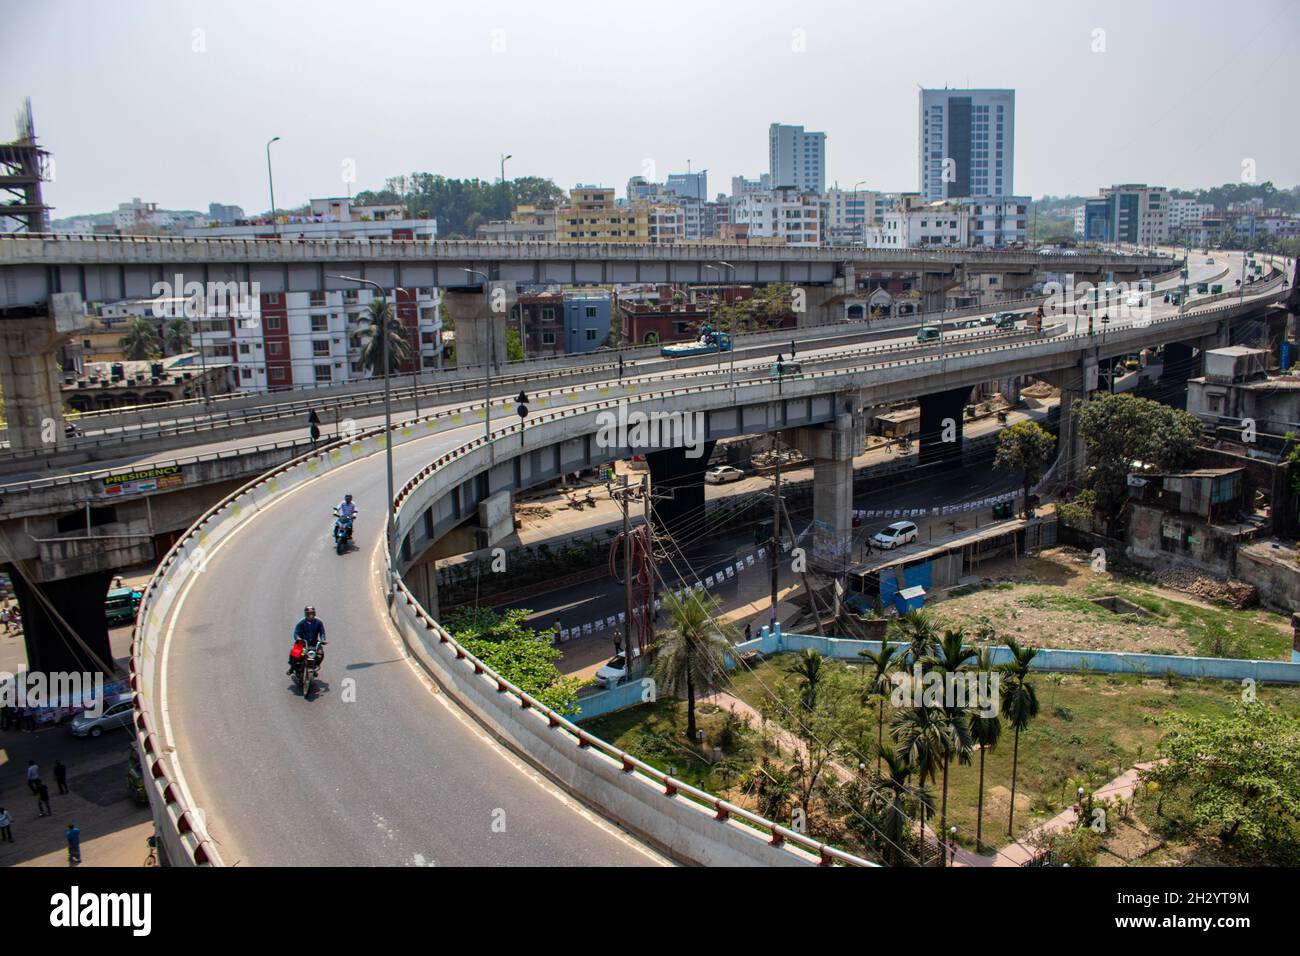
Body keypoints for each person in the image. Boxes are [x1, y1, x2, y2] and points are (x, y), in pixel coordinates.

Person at [287, 606, 327, 675]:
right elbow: (296, 633)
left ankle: (315, 666)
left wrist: (323, 640)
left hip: (314, 643)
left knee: (321, 653)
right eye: (309, 614)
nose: (310, 615)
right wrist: (298, 638)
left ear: (314, 614)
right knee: (293, 652)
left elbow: (322, 632)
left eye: (312, 613)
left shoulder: (319, 622)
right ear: (306, 614)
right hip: (303, 643)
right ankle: (292, 668)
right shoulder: (301, 623)